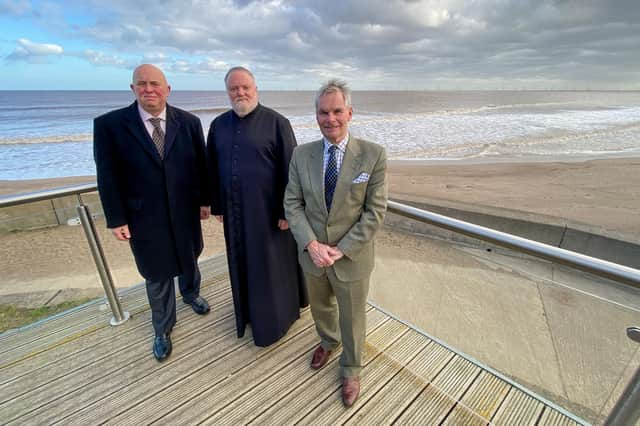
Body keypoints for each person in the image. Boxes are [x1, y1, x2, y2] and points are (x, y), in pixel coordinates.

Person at [94, 64, 211, 362]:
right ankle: (162, 327)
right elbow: (107, 176)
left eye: (155, 84)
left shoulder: (189, 122)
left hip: (184, 210)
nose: (149, 89)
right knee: (156, 271)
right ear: (132, 88)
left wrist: (205, 200)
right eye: (142, 84)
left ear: (167, 89)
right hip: (143, 216)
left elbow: (201, 166)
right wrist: (116, 218)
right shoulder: (109, 125)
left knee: (189, 255)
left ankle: (190, 293)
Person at [284, 79, 387, 407]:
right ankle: (328, 341)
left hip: (351, 257)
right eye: (323, 112)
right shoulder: (301, 155)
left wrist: (341, 249)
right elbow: (292, 204)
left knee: (353, 315)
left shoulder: (373, 156)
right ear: (316, 115)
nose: (331, 118)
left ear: (350, 112)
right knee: (321, 307)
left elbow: (375, 212)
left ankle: (352, 367)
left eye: (337, 111)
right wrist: (312, 245)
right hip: (313, 255)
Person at [207, 66, 307, 347]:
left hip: (269, 214)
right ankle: (249, 314)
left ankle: (275, 321)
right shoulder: (218, 126)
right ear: (228, 92)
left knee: (272, 266)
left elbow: (292, 171)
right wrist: (217, 206)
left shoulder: (278, 123)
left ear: (255, 89)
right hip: (235, 214)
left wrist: (287, 212)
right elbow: (211, 169)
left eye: (245, 88)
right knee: (242, 263)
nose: (240, 93)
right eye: (233, 89)